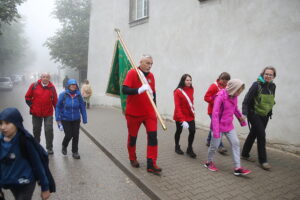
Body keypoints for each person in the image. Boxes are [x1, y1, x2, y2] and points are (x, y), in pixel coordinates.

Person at [0, 107, 55, 200]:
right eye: (0, 123)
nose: (3, 127)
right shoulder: (1, 142)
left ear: (17, 123)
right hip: (11, 182)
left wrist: (45, 187)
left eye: (7, 123)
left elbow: (38, 165)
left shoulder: (25, 141)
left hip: (26, 183)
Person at [122, 54, 162, 175]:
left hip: (149, 112)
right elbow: (124, 89)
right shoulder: (133, 73)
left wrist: (155, 108)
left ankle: (151, 163)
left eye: (151, 64)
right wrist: (138, 90)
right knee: (133, 137)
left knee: (153, 137)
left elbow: (153, 93)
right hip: (134, 113)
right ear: (141, 62)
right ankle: (132, 158)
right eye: (147, 63)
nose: (149, 66)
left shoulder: (151, 76)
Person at [204, 79, 252, 176]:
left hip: (229, 125)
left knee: (236, 143)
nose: (239, 93)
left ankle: (237, 168)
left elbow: (235, 108)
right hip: (218, 126)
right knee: (214, 146)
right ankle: (208, 162)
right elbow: (215, 114)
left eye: (240, 91)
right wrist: (216, 131)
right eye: (238, 90)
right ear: (233, 88)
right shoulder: (220, 96)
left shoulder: (234, 96)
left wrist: (240, 118)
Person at [241, 66, 276, 170]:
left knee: (254, 133)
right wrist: (244, 113)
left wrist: (269, 112)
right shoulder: (256, 85)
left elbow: (271, 100)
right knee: (261, 135)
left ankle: (245, 154)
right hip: (254, 113)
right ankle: (263, 161)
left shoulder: (273, 86)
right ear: (262, 74)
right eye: (266, 74)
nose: (268, 76)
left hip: (265, 115)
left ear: (273, 76)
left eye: (270, 74)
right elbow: (246, 100)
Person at [25, 73, 57, 155]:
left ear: (49, 78)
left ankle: (49, 148)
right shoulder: (34, 85)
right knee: (36, 129)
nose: (45, 78)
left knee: (49, 129)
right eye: (44, 77)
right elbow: (27, 97)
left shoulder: (52, 87)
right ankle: (36, 146)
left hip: (48, 112)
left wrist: (58, 112)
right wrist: (32, 106)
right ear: (41, 78)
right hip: (36, 112)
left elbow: (55, 101)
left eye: (47, 77)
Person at [55, 79, 87, 159]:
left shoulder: (79, 95)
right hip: (65, 119)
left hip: (76, 119)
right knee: (68, 135)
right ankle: (64, 145)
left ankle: (75, 151)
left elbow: (82, 107)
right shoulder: (63, 95)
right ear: (68, 86)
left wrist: (84, 118)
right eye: (71, 85)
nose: (73, 86)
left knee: (76, 135)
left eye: (74, 85)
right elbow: (58, 106)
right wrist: (57, 118)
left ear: (76, 86)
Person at [204, 72, 231, 154]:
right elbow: (206, 97)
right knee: (217, 127)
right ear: (220, 79)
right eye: (224, 81)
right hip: (212, 111)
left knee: (214, 126)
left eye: (227, 81)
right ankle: (220, 146)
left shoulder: (227, 86)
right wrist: (215, 102)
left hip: (221, 112)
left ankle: (209, 140)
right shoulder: (214, 86)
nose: (226, 83)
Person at [173, 74, 196, 158]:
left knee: (193, 131)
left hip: (189, 115)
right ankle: (177, 146)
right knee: (179, 131)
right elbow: (177, 106)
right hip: (180, 115)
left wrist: (193, 112)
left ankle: (189, 148)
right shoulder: (177, 91)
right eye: (187, 80)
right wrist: (182, 120)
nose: (189, 82)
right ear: (183, 81)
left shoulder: (191, 89)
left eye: (190, 80)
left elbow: (191, 102)